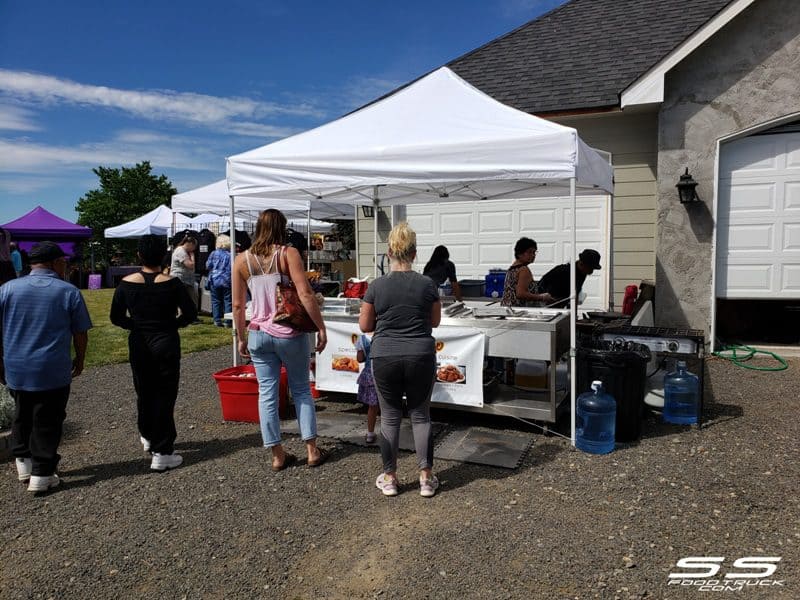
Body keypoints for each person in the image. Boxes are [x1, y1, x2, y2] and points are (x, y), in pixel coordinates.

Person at [233, 209, 329, 471]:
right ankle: (311, 450)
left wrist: (240, 337)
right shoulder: (288, 254)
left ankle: (277, 453)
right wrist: (320, 327)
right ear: (282, 228)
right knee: (300, 390)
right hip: (288, 332)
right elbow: (305, 293)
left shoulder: (241, 261)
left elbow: (239, 305)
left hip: (258, 333)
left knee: (267, 393)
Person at [0, 241, 92, 493]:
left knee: (22, 412)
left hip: (16, 366)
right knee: (48, 418)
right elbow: (80, 333)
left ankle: (23, 461)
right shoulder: (68, 291)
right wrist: (80, 358)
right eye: (64, 261)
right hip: (52, 367)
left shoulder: (7, 289)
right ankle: (42, 471)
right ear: (56, 262)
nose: (66, 266)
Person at [359, 222, 441, 498]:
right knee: (421, 416)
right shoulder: (428, 284)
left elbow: (364, 324)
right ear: (415, 254)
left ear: (388, 253)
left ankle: (390, 477)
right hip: (421, 353)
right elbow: (435, 321)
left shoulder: (377, 286)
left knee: (391, 418)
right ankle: (426, 479)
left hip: (385, 355)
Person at [110, 235, 197, 472]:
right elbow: (190, 313)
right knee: (165, 394)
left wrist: (135, 326)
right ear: (164, 256)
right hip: (166, 340)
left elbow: (116, 317)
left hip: (140, 341)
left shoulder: (126, 284)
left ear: (139, 255)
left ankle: (147, 434)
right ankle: (163, 449)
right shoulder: (172, 283)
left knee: (144, 390)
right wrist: (173, 324)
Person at [536, 249, 602, 308]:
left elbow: (575, 294)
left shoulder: (582, 273)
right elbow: (550, 297)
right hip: (543, 304)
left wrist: (574, 316)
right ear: (581, 264)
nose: (591, 271)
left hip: (559, 303)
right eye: (590, 268)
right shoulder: (563, 272)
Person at [501, 237, 553, 307]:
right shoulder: (523, 270)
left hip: (506, 309)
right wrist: (542, 297)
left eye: (534, 252)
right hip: (518, 312)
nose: (533, 255)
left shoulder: (511, 269)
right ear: (519, 253)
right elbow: (521, 294)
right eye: (529, 252)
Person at [355, 332, 379, 444]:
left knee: (372, 406)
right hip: (385, 372)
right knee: (389, 407)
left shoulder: (363, 339)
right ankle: (390, 433)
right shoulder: (384, 334)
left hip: (370, 374)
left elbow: (360, 359)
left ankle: (370, 434)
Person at [171, 235, 200, 324]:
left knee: (193, 297)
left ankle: (192, 317)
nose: (194, 249)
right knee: (183, 299)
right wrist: (192, 256)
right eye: (194, 246)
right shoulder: (181, 251)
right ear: (190, 244)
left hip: (187, 279)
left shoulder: (184, 251)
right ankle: (183, 317)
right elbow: (190, 265)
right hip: (180, 278)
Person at [205, 234, 233, 327]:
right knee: (228, 300)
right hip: (227, 280)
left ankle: (217, 320)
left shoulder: (213, 253)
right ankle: (228, 321)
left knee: (216, 300)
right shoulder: (231, 255)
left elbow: (208, 265)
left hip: (215, 279)